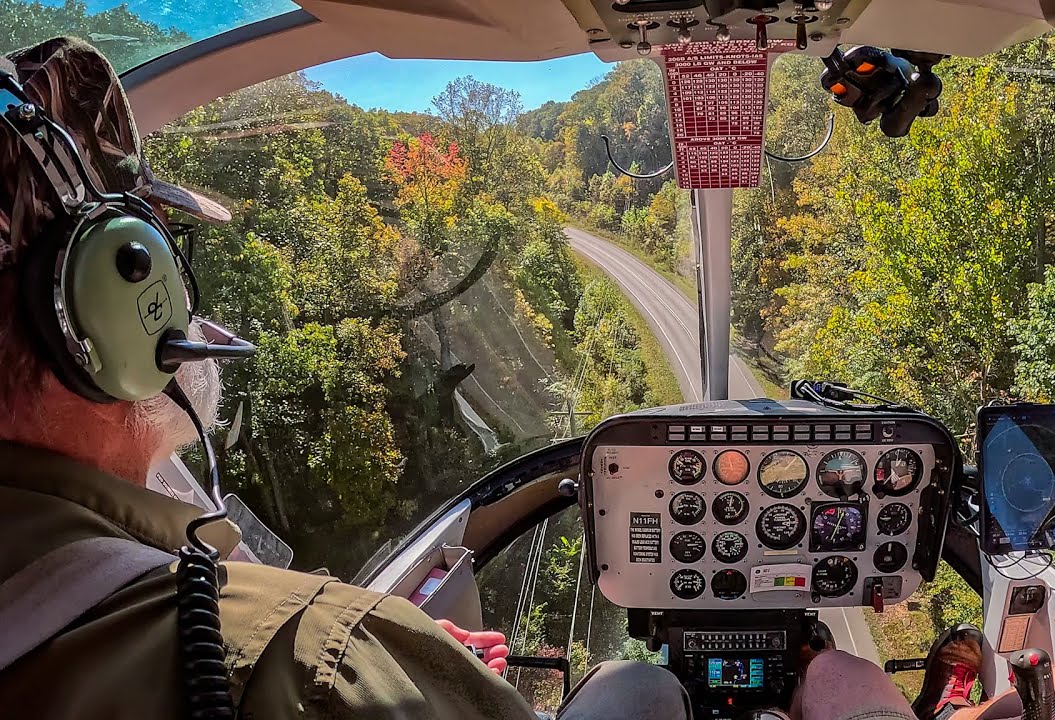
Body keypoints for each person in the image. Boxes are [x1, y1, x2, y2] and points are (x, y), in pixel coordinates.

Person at [0, 37, 689, 720]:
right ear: (116, 297)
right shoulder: (312, 665)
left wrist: (391, 658)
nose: (186, 302)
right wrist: (375, 659)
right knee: (642, 687)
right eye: (164, 253)